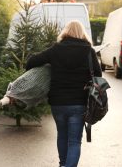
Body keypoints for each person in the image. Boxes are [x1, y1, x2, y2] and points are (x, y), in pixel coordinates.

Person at [26, 21, 102, 167]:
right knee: (74, 141)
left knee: (62, 136)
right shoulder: (88, 51)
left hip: (58, 103)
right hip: (79, 103)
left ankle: (62, 164)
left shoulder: (56, 49)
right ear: (82, 33)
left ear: (65, 32)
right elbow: (98, 76)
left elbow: (31, 62)